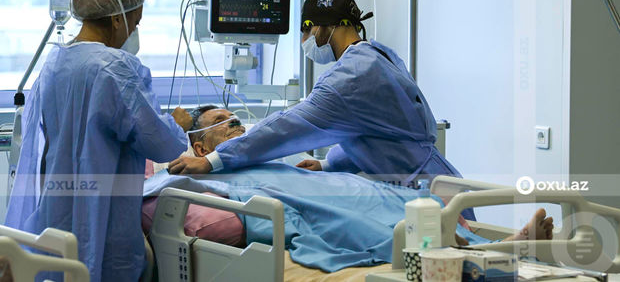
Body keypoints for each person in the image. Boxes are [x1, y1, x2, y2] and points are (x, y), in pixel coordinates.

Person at [169, 0, 470, 216]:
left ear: (322, 27)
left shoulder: (350, 78)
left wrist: (213, 160)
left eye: (306, 31)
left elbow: (284, 129)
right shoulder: (377, 56)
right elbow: (376, 135)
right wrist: (328, 164)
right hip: (438, 185)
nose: (305, 41)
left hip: (426, 197)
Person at [5, 0, 192, 282]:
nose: (135, 31)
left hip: (56, 209)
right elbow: (161, 143)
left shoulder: (55, 63)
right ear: (117, 19)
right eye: (135, 22)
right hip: (104, 217)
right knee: (97, 267)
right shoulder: (116, 69)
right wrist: (177, 124)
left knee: (60, 270)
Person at [172, 105, 554, 245]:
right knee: (364, 222)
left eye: (236, 118)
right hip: (320, 205)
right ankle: (496, 249)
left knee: (405, 201)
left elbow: (341, 149)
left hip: (342, 188)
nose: (235, 123)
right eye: (222, 122)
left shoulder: (268, 155)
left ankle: (486, 247)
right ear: (201, 148)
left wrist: (323, 167)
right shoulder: (211, 177)